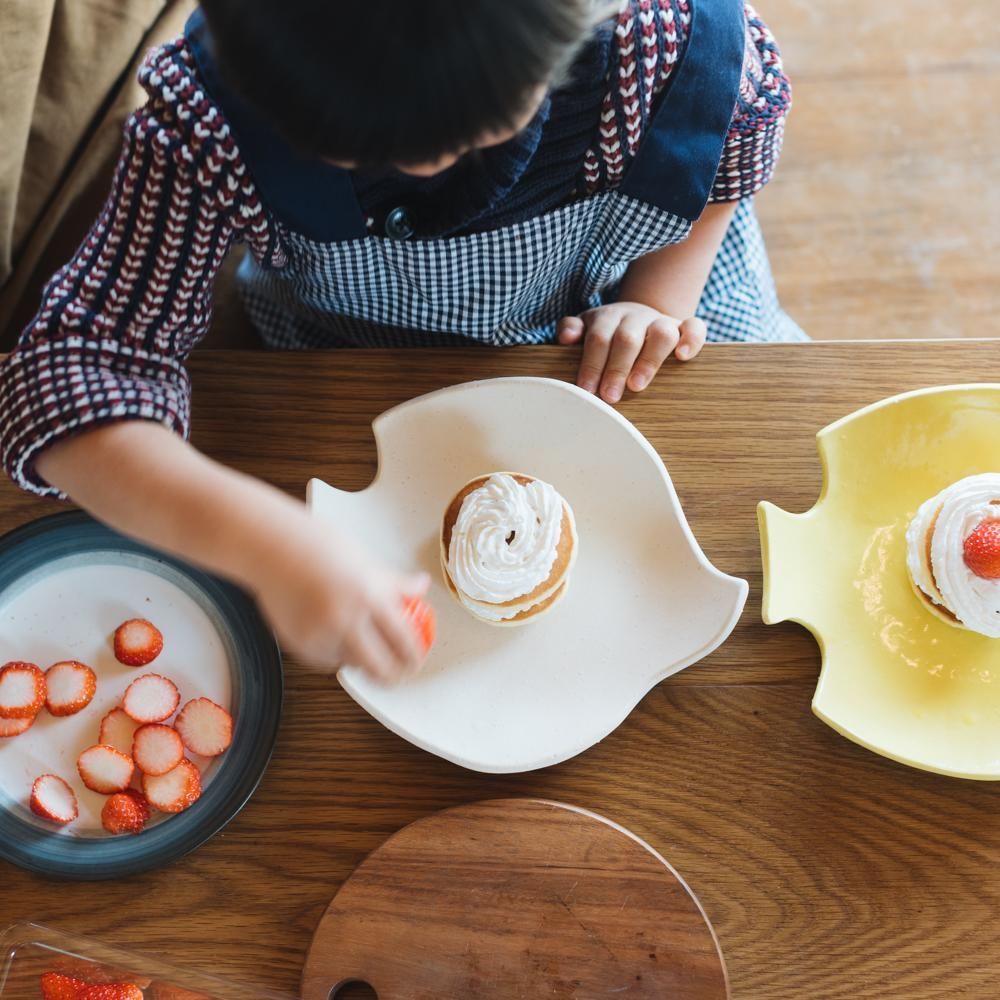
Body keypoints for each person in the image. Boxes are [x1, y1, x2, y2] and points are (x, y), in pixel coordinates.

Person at [0, 0, 801, 681]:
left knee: (748, 470)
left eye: (469, 134)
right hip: (357, 346)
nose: (420, 167)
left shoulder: (663, 39)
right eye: (354, 146)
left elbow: (728, 146)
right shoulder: (210, 118)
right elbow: (69, 375)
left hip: (631, 295)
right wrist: (269, 545)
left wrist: (657, 295)